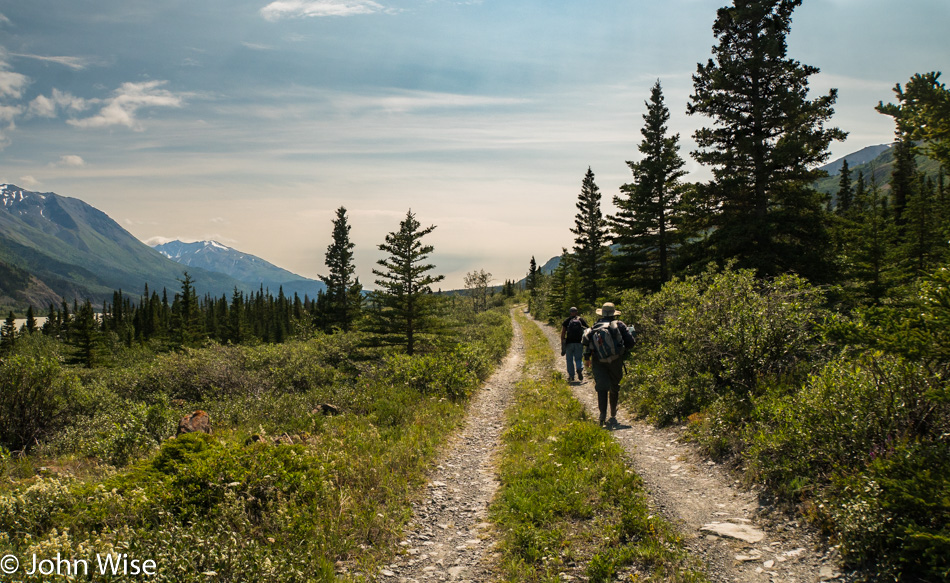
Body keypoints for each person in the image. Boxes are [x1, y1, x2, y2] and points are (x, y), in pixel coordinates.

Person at [582, 302, 635, 429]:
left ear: (602, 313)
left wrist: (587, 358)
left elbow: (588, 343)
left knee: (601, 387)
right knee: (614, 386)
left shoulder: (596, 325)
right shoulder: (619, 325)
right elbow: (631, 342)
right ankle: (613, 415)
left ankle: (602, 415)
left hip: (598, 361)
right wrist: (621, 350)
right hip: (615, 360)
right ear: (613, 313)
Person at [560, 307, 589, 382]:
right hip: (579, 342)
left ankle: (571, 376)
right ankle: (579, 368)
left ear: (570, 312)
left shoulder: (567, 321)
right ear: (576, 312)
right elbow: (587, 330)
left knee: (569, 359)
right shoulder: (581, 320)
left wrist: (562, 342)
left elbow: (563, 332)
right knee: (578, 358)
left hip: (569, 343)